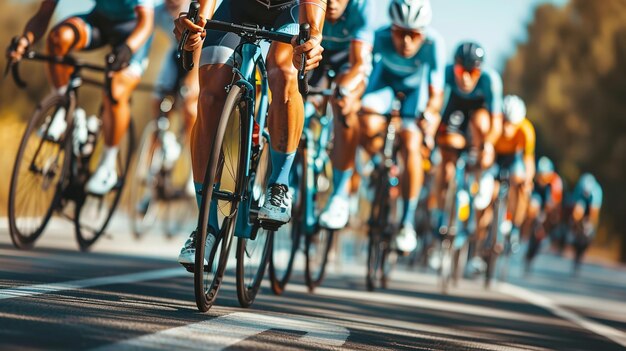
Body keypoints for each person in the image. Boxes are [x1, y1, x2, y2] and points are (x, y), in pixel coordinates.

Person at [173, 0, 326, 267]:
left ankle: (279, 184)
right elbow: (201, 14)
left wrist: (311, 41)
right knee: (208, 96)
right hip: (238, 6)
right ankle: (205, 226)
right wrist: (194, 29)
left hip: (288, 11)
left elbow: (312, 22)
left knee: (283, 69)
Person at [330, 0, 445, 253]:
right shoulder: (379, 37)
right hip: (383, 87)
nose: (406, 41)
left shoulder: (434, 44)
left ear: (422, 33)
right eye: (400, 32)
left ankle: (406, 221)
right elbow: (365, 76)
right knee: (366, 120)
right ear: (391, 28)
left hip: (415, 96)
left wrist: (430, 114)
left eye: (413, 34)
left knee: (412, 142)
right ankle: (374, 166)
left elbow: (436, 92)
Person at [6, 0, 155, 195]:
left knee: (116, 89)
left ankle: (108, 165)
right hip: (99, 22)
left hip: (134, 32)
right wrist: (25, 40)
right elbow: (44, 13)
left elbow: (146, 23)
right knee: (58, 39)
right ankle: (64, 108)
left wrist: (127, 49)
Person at [305, 0, 376, 230]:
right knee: (298, 99)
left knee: (343, 102)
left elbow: (359, 64)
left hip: (349, 60)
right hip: (318, 55)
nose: (332, 2)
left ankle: (339, 195)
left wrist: (343, 91)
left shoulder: (362, 6)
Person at [432, 41, 503, 236]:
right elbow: (436, 108)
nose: (465, 77)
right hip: (453, 112)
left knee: (482, 123)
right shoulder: (445, 74)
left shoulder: (491, 81)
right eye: (461, 69)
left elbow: (496, 123)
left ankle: (478, 183)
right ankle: (441, 213)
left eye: (472, 72)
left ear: (479, 72)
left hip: (476, 119)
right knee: (446, 168)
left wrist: (487, 146)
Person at [477, 95, 536, 249]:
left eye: (512, 124)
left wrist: (528, 180)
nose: (506, 128)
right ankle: (481, 233)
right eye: (505, 122)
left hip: (513, 158)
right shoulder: (493, 123)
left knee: (522, 184)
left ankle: (515, 226)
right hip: (496, 156)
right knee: (490, 192)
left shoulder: (526, 131)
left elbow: (528, 160)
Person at [152, 0, 199, 171]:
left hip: (197, 56)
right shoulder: (158, 12)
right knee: (157, 101)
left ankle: (191, 163)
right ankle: (152, 163)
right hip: (176, 55)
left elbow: (201, 41)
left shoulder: (191, 8)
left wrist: (192, 79)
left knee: (190, 108)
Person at [524, 156, 563, 271]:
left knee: (548, 220)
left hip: (549, 205)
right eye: (540, 175)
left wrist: (546, 218)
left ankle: (544, 238)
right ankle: (524, 235)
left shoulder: (556, 182)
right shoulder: (534, 178)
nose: (542, 178)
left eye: (544, 175)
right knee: (532, 208)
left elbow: (555, 204)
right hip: (537, 199)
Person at [569, 172, 602, 273]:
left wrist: (590, 224)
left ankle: (585, 243)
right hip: (581, 204)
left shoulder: (597, 191)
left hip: (591, 208)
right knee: (577, 211)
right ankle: (573, 233)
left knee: (589, 230)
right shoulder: (579, 188)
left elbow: (594, 211)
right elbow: (574, 205)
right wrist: (574, 222)